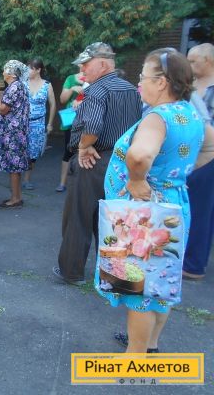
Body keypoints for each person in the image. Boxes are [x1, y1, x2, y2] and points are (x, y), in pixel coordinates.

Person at [94, 48, 214, 353]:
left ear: (161, 82)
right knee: (161, 283)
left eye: (143, 77)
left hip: (144, 214)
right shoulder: (188, 112)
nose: (139, 83)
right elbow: (210, 146)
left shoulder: (158, 118)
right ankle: (151, 345)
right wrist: (176, 175)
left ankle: (135, 360)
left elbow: (139, 155)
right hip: (172, 205)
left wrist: (137, 180)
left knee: (139, 291)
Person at [53, 42, 142, 285]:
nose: (82, 69)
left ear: (103, 64)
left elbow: (91, 129)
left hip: (92, 162)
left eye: (86, 64)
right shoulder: (131, 90)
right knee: (115, 220)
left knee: (78, 217)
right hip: (122, 163)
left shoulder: (96, 90)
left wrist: (83, 147)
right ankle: (115, 275)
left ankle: (71, 272)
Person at [183, 43, 214, 280]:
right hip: (190, 154)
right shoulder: (192, 86)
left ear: (208, 61)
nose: (189, 64)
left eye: (193, 61)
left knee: (202, 210)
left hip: (209, 156)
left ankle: (194, 264)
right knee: (189, 207)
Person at [0, 60, 30, 209]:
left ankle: (14, 199)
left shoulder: (14, 87)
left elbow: (2, 109)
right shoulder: (20, 86)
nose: (2, 73)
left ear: (11, 74)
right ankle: (17, 197)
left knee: (13, 166)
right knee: (16, 166)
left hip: (12, 133)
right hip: (17, 131)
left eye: (5, 70)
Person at [23, 58, 56, 190]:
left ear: (38, 70)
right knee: (21, 150)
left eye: (30, 68)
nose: (27, 71)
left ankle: (26, 179)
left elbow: (53, 104)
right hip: (23, 123)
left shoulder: (47, 85)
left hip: (38, 123)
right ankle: (16, 177)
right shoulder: (23, 83)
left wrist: (50, 124)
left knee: (33, 153)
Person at [56, 67, 86, 192]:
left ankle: (79, 184)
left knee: (84, 152)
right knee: (68, 151)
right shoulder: (71, 79)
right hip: (71, 121)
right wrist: (72, 88)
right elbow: (62, 100)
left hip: (87, 121)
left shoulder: (93, 79)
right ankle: (62, 183)